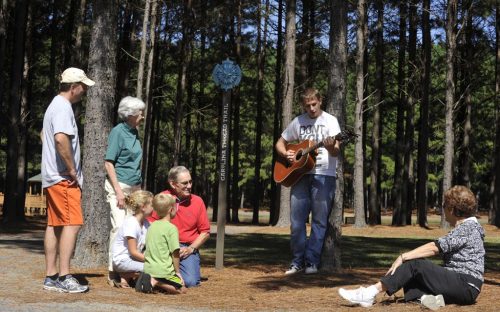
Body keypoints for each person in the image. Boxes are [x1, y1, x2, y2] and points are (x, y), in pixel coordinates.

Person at [338, 185, 485, 310]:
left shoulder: (468, 228)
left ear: (452, 209)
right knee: (413, 273)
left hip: (465, 285)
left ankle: (369, 293)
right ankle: (428, 300)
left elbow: (435, 247)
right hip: (465, 287)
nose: (443, 210)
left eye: (444, 206)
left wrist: (403, 256)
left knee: (415, 264)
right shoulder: (470, 227)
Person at [275, 88, 341, 275]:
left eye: (314, 104)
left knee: (319, 222)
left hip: (324, 175)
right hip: (300, 175)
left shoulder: (331, 121)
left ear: (320, 101)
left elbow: (336, 150)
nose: (311, 108)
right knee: (297, 222)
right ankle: (297, 263)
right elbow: (280, 142)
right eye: (308, 106)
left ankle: (312, 262)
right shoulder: (298, 121)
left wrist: (330, 147)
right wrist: (285, 153)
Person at [41, 67, 95, 293]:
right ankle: (64, 276)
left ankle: (51, 276)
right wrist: (72, 170)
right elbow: (60, 139)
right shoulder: (63, 108)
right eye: (83, 87)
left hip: (53, 176)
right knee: (72, 224)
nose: (84, 91)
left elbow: (44, 136)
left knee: (54, 225)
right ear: (73, 87)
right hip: (63, 178)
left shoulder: (54, 105)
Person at [104, 96, 146, 284]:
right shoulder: (118, 132)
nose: (142, 116)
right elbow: (109, 163)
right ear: (130, 114)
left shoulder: (134, 131)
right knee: (119, 227)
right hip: (119, 186)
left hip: (135, 187)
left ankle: (128, 270)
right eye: (140, 112)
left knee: (134, 228)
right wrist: (119, 192)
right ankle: (114, 271)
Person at [147, 166, 210, 287]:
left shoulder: (197, 201)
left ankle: (158, 281)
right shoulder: (162, 198)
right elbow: (150, 223)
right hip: (163, 246)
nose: (189, 186)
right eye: (185, 183)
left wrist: (191, 249)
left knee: (190, 282)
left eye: (190, 182)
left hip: (186, 248)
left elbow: (205, 232)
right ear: (173, 184)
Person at [136, 193, 186, 294]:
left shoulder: (151, 226)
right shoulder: (171, 228)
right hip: (164, 271)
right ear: (171, 210)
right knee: (182, 289)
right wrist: (177, 272)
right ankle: (157, 281)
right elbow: (175, 253)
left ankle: (150, 280)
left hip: (148, 269)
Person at [111, 190, 153, 288]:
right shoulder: (131, 223)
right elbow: (133, 252)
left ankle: (128, 277)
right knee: (154, 268)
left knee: (157, 267)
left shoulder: (146, 223)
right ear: (143, 207)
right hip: (122, 260)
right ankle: (125, 275)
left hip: (133, 259)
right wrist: (152, 261)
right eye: (152, 204)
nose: (153, 207)